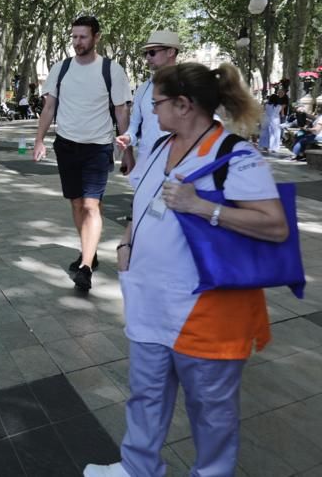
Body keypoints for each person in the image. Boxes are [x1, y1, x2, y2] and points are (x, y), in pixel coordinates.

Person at [83, 63, 288, 477]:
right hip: (150, 301)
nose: (151, 110)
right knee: (145, 396)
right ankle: (137, 468)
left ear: (183, 104)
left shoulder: (235, 155)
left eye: (156, 102)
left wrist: (202, 206)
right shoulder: (161, 145)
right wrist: (126, 241)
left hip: (207, 311)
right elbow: (142, 203)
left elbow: (276, 226)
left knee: (211, 411)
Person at [33, 15, 131, 291]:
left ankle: (86, 266)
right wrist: (39, 140)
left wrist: (128, 151)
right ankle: (89, 249)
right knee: (77, 204)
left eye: (83, 37)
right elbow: (49, 107)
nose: (77, 42)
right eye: (74, 37)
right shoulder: (61, 69)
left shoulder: (112, 70)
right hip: (66, 146)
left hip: (97, 148)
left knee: (91, 205)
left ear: (97, 37)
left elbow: (121, 111)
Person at [118, 30, 182, 174]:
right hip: (147, 163)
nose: (147, 57)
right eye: (145, 53)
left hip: (180, 165)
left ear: (171, 52)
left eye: (152, 52)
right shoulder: (143, 89)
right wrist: (127, 139)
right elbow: (134, 126)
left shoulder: (190, 85)